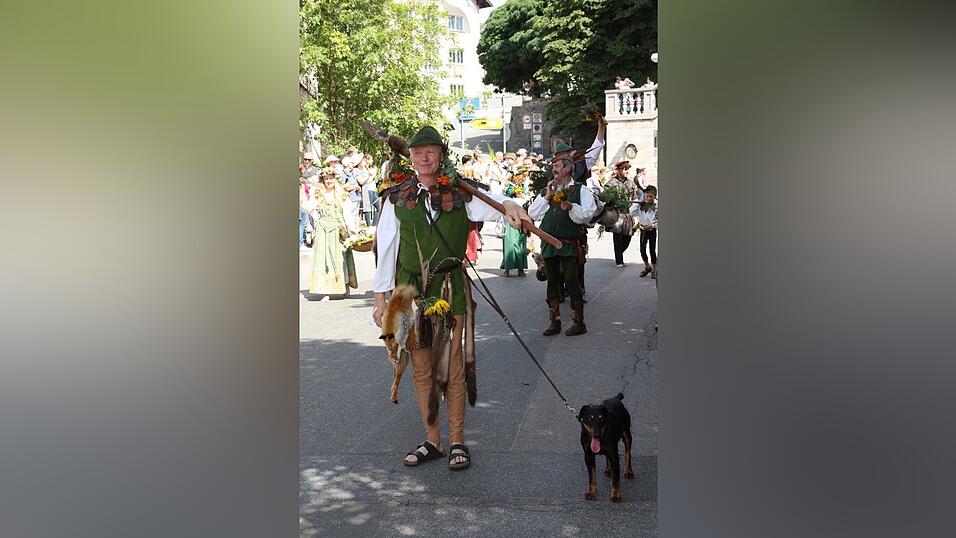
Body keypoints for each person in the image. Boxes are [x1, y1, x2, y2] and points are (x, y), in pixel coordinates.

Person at [372, 126, 531, 470]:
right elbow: (386, 249)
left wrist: (512, 206)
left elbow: (499, 206)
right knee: (421, 369)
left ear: (441, 155)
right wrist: (380, 300)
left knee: (454, 365)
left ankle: (457, 439)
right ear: (410, 158)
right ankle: (433, 440)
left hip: (450, 288)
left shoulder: (461, 193)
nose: (424, 158)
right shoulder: (396, 197)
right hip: (409, 294)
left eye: (430, 151)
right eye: (417, 153)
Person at [528, 143, 598, 336]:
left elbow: (588, 214)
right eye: (553, 166)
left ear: (567, 168)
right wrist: (547, 196)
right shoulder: (547, 190)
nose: (554, 169)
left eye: (557, 165)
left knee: (571, 281)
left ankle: (579, 322)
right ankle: (555, 321)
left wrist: (571, 207)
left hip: (569, 244)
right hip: (549, 244)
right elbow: (532, 214)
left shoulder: (580, 190)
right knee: (552, 283)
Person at [307, 168, 358, 297]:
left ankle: (345, 287)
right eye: (326, 179)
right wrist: (317, 221)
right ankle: (326, 290)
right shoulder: (319, 194)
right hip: (323, 231)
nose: (329, 181)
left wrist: (351, 230)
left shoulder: (342, 195)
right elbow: (312, 209)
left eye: (331, 178)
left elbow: (347, 213)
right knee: (325, 260)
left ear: (335, 179)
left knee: (341, 258)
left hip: (338, 230)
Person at [605, 161, 637, 267]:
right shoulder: (611, 183)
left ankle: (619, 252)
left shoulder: (631, 183)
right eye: (624, 169)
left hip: (627, 213)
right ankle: (619, 260)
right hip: (616, 213)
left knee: (628, 236)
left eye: (627, 169)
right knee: (617, 235)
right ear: (618, 170)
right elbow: (605, 197)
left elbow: (634, 197)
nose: (627, 171)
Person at [500, 168, 530, 277]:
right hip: (510, 218)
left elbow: (526, 198)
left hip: (521, 217)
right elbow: (505, 198)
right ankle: (507, 269)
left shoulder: (523, 188)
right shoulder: (510, 187)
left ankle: (520, 269)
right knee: (509, 244)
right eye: (522, 176)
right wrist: (516, 193)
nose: (523, 179)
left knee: (521, 243)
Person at [631, 185, 658, 278]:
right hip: (643, 230)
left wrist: (652, 225)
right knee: (642, 250)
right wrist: (637, 203)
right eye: (647, 196)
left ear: (655, 196)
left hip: (652, 230)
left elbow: (659, 220)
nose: (649, 198)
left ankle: (654, 270)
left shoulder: (657, 207)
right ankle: (647, 267)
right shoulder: (640, 205)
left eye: (651, 196)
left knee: (652, 250)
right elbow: (632, 212)